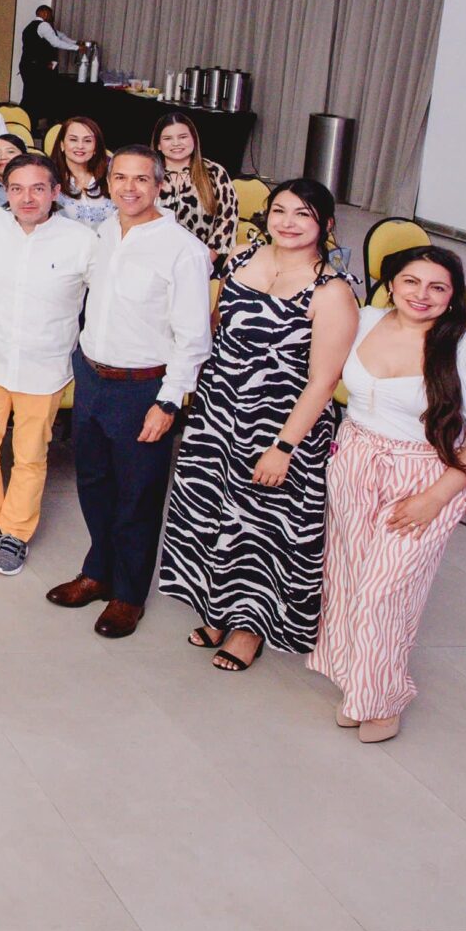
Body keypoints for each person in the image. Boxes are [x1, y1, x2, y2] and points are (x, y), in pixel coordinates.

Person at [309, 246, 466, 741]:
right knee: (348, 577)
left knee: (385, 592)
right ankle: (358, 685)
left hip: (423, 474)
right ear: (391, 284)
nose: (422, 295)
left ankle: (384, 700)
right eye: (410, 282)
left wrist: (437, 497)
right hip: (355, 458)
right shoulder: (364, 321)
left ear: (454, 295)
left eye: (437, 287)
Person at [155, 179, 355, 670]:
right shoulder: (243, 258)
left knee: (261, 527)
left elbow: (323, 381)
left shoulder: (332, 292)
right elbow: (220, 328)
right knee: (213, 512)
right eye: (279, 210)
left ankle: (250, 628)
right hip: (220, 411)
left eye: (302, 215)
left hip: (280, 422)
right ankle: (217, 608)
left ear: (325, 226)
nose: (287, 222)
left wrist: (283, 448)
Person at [46, 145, 214, 639]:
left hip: (144, 387)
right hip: (94, 377)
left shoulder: (182, 249)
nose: (129, 188)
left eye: (142, 179)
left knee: (137, 496)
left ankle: (129, 594)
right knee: (93, 484)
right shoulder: (102, 232)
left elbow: (194, 338)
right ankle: (98, 571)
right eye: (120, 177)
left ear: (160, 184)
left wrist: (169, 401)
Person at [0, 155, 96, 578]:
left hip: (44, 365)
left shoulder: (82, 240)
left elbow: (108, 296)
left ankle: (16, 530)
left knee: (30, 455)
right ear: (5, 192)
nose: (26, 198)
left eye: (38, 188)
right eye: (16, 188)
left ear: (55, 192)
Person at [155, 110, 239, 268]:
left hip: (203, 264)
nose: (176, 143)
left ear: (194, 139)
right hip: (154, 262)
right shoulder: (148, 173)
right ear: (159, 145)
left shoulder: (214, 172)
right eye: (168, 138)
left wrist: (204, 261)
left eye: (183, 137)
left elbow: (228, 219)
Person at [50, 115, 115, 227]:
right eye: (73, 140)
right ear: (62, 145)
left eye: (87, 141)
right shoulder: (49, 179)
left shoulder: (111, 178)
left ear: (96, 148)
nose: (80, 146)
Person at [16, 4, 79, 112]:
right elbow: (56, 42)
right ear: (44, 13)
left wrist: (76, 43)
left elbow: (60, 36)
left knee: (31, 94)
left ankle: (26, 120)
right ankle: (25, 120)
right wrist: (76, 48)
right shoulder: (43, 25)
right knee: (32, 96)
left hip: (28, 65)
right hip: (35, 67)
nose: (52, 17)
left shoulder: (31, 26)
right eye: (50, 14)